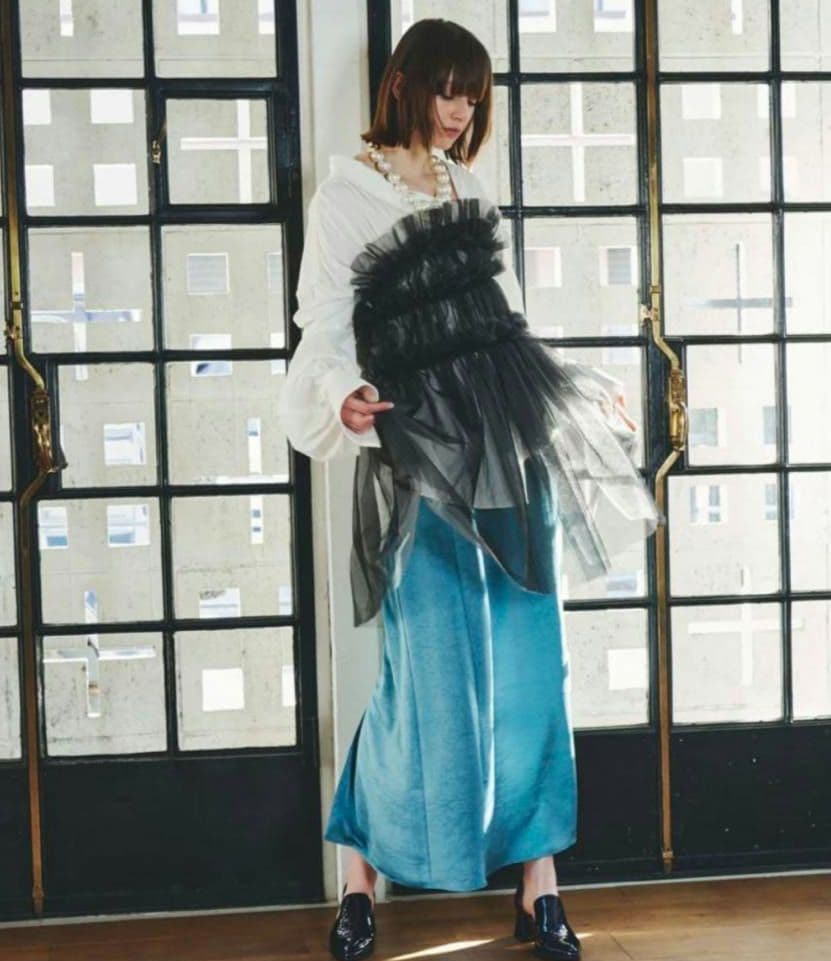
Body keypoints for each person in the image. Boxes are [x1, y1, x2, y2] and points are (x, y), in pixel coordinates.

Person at [278, 18, 661, 961]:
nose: (458, 112)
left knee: (532, 664)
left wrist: (572, 389)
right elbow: (322, 325)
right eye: (447, 91)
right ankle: (359, 879)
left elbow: (507, 320)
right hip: (421, 448)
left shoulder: (472, 187)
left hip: (506, 442)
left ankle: (539, 886)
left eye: (472, 97)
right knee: (423, 675)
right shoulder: (346, 194)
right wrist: (342, 392)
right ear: (403, 84)